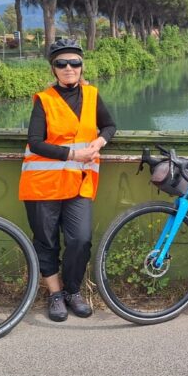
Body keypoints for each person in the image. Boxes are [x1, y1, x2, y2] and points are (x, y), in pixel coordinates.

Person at [19, 38, 116, 322]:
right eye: (61, 63)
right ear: (54, 68)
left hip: (78, 183)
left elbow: (110, 125)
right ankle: (55, 294)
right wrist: (72, 153)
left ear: (82, 66)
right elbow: (35, 142)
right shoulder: (44, 100)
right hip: (43, 184)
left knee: (80, 240)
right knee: (46, 242)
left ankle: (73, 291)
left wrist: (100, 141)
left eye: (74, 62)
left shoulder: (92, 95)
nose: (69, 68)